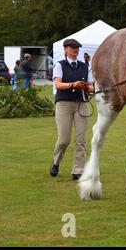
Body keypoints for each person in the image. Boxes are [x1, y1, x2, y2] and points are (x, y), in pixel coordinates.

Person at [49, 38, 94, 181]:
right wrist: (73, 84)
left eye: (77, 47)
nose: (75, 50)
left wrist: (87, 87)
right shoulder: (59, 65)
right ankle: (56, 162)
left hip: (82, 103)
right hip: (64, 104)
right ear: (65, 49)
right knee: (64, 139)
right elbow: (57, 84)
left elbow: (92, 86)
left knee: (81, 140)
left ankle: (78, 170)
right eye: (72, 47)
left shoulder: (85, 66)